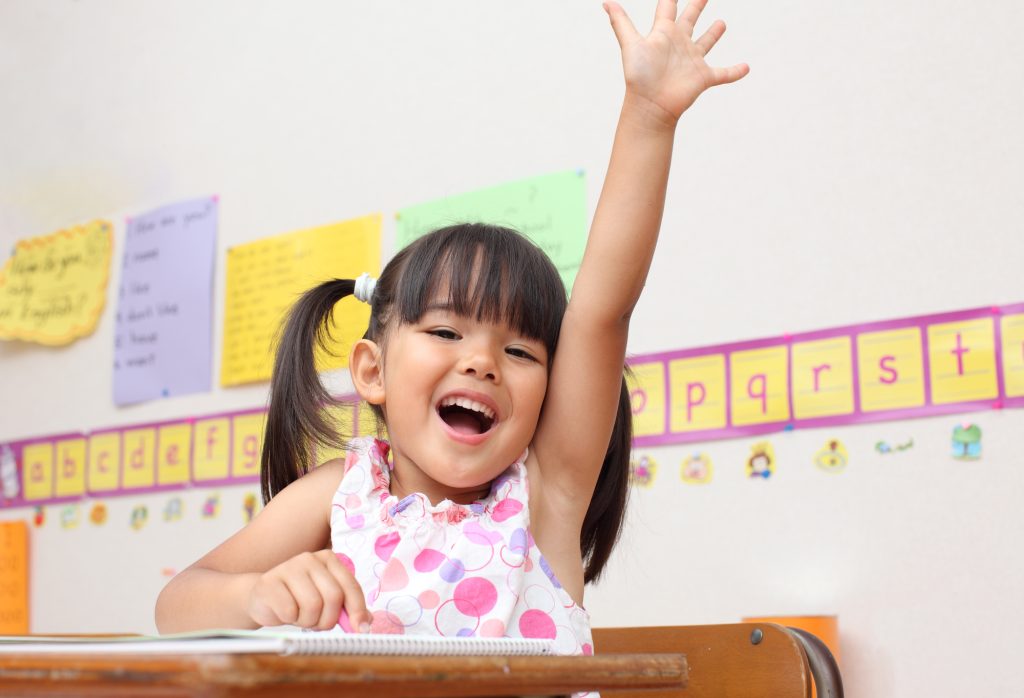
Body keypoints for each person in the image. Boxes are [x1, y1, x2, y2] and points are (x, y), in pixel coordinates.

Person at [156, 0, 747, 655]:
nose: (482, 361)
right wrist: (254, 595)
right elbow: (177, 605)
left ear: (551, 391)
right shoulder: (339, 493)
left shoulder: (547, 492)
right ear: (372, 371)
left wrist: (648, 117)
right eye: (445, 333)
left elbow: (603, 311)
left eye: (519, 350)